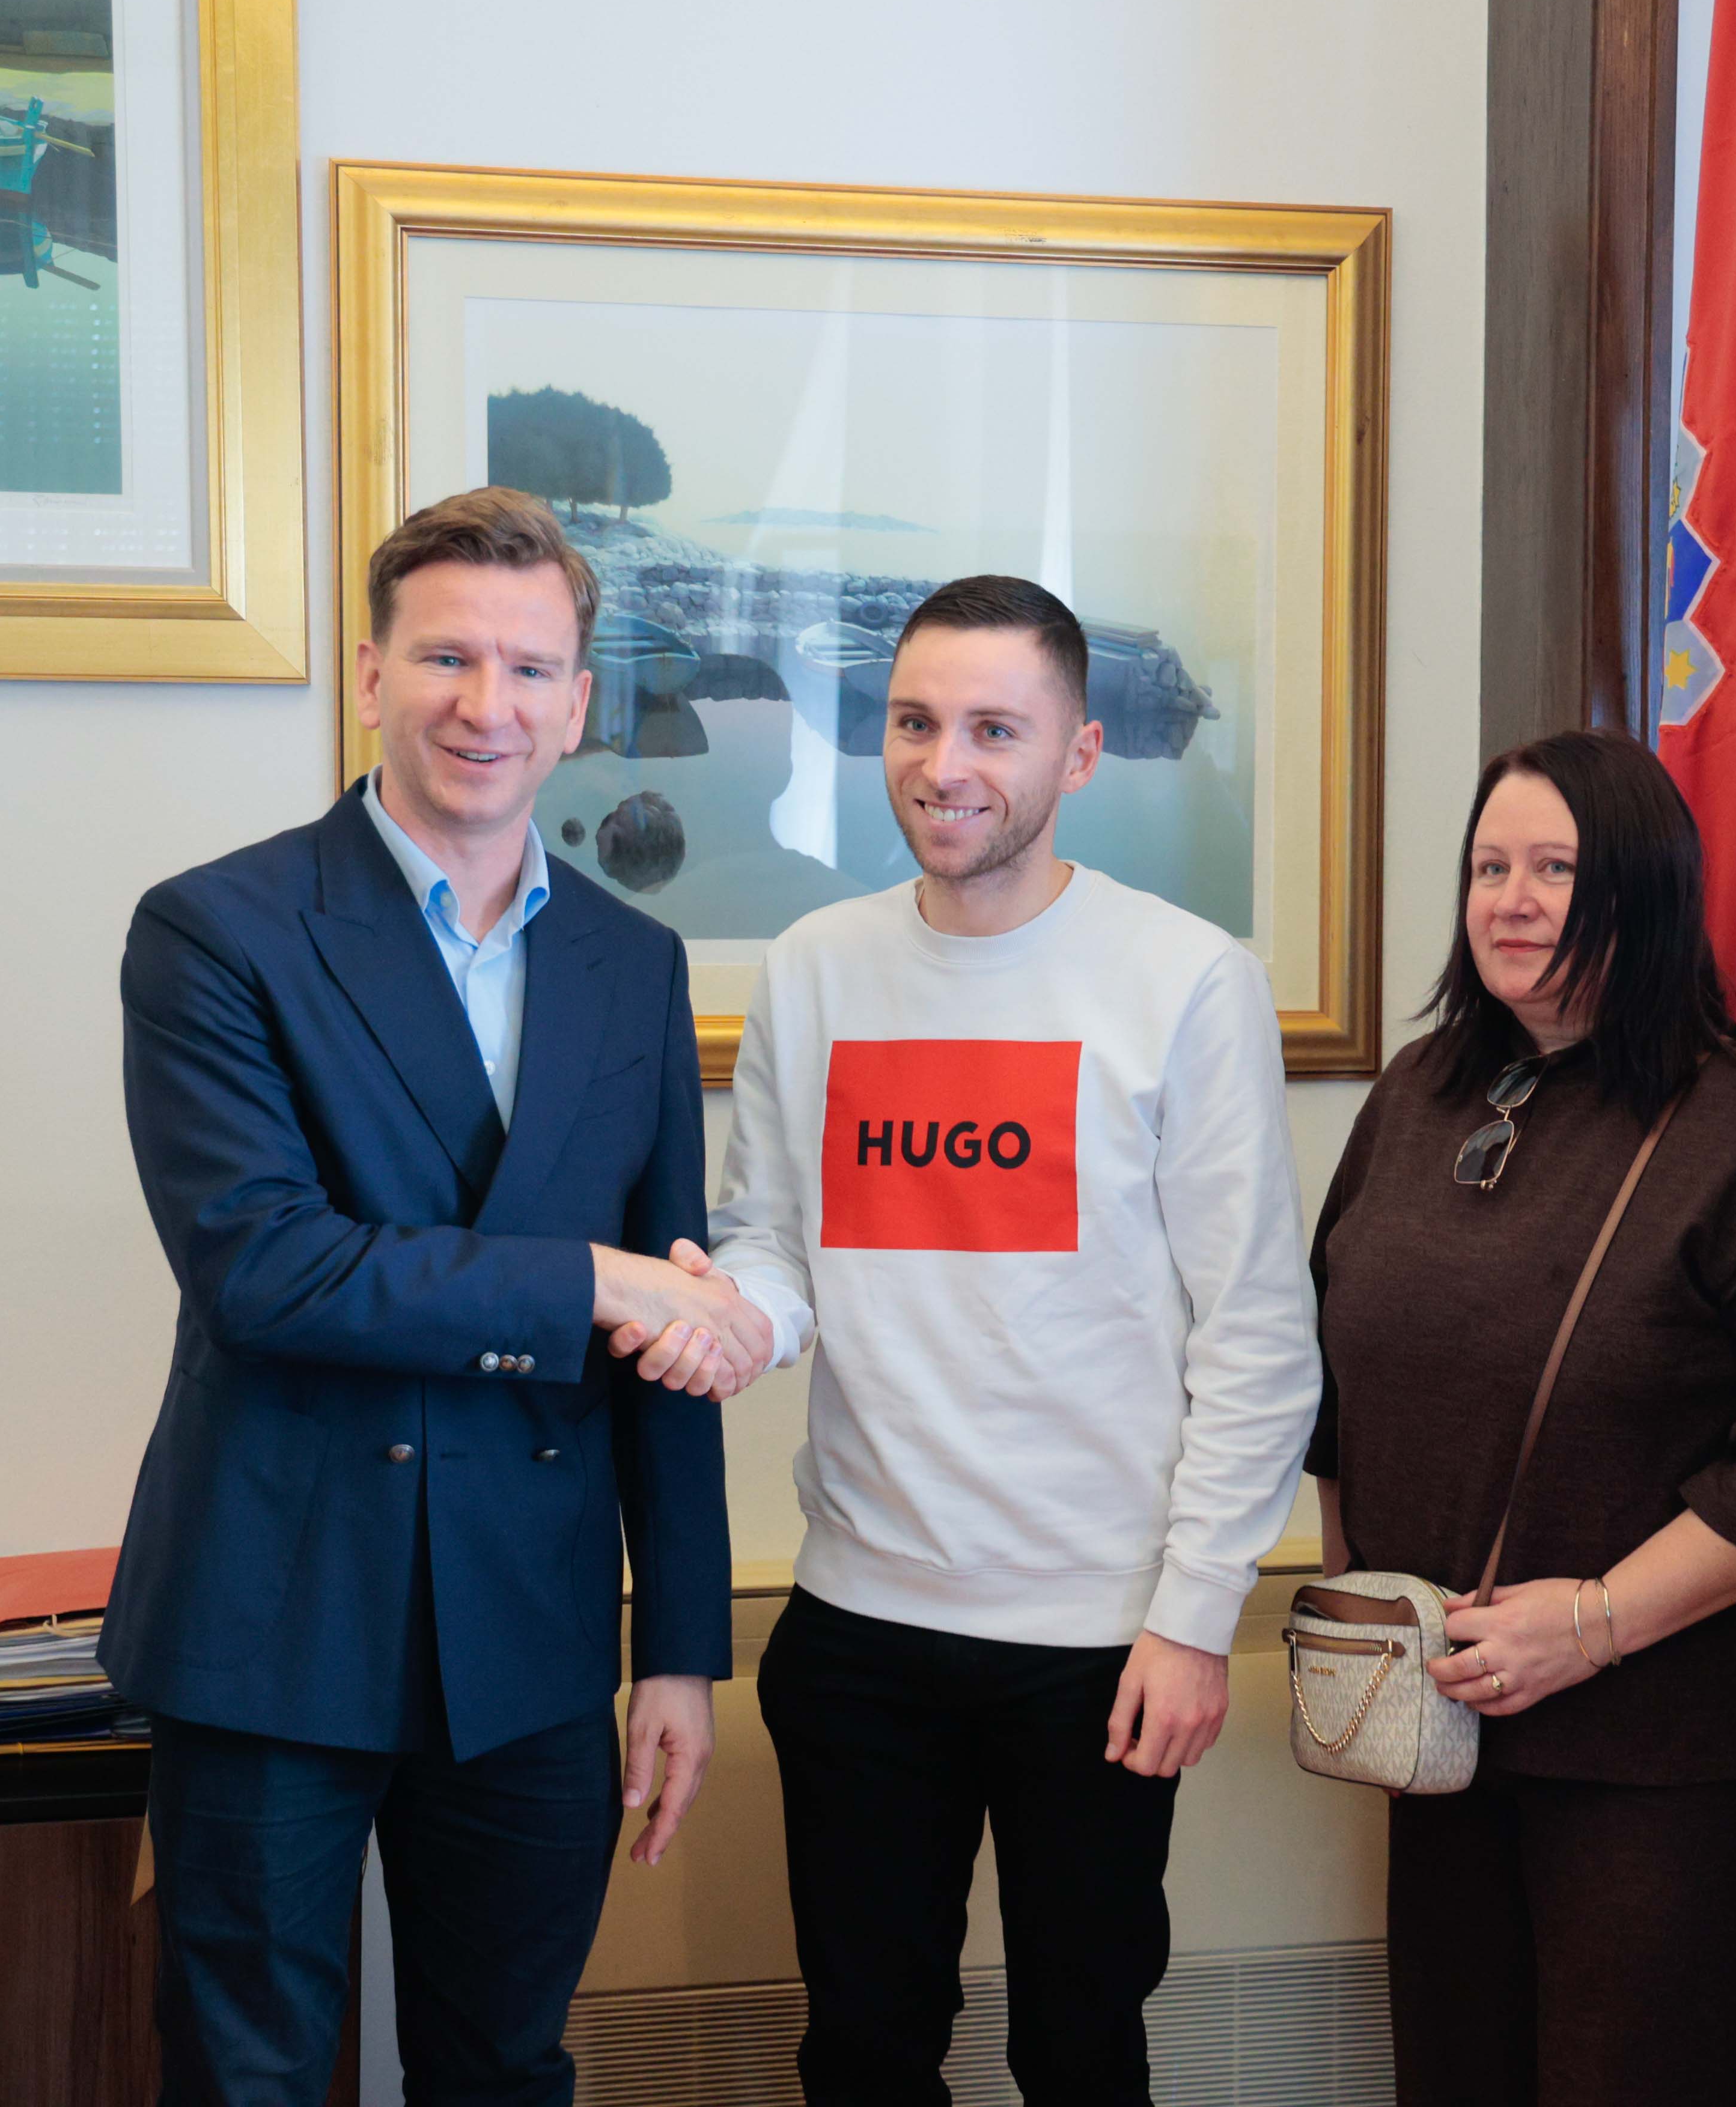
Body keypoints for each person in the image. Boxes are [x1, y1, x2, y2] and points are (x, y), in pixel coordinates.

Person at [105, 487, 775, 2103]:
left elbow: (672, 1321)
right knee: (249, 2079)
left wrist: (679, 1649)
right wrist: (586, 1278)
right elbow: (270, 1270)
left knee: (506, 2069)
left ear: (580, 704)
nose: (490, 705)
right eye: (447, 658)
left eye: (532, 669)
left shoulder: (631, 961)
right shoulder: (216, 931)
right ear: (368, 676)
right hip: (275, 1616)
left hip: (531, 1632)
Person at [668, 573, 1323, 2106]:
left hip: (1095, 1641)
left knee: (1080, 2055)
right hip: (857, 1620)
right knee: (863, 2049)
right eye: (913, 722)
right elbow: (774, 1240)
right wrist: (740, 1319)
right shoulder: (815, 968)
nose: (942, 763)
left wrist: (1194, 1615)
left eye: (992, 729)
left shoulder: (1185, 978)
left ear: (1079, 754)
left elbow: (1256, 1332)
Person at [1305, 729, 1736, 2106]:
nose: (1512, 901)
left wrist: (1592, 1623)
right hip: (1436, 1730)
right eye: (1489, 867)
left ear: (1644, 887)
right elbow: (1334, 1381)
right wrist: (1364, 1613)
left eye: (1556, 869)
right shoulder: (1417, 1095)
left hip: (1651, 1749)